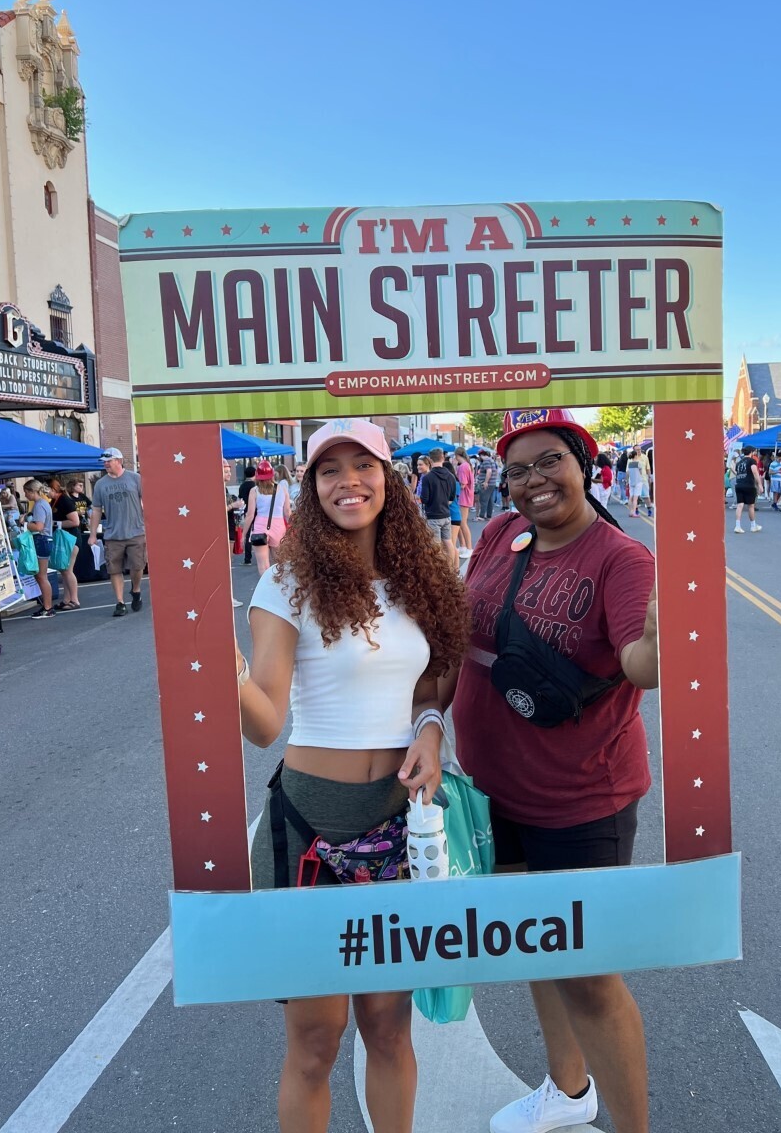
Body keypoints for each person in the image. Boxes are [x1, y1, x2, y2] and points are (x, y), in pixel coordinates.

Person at [238, 417, 469, 1133]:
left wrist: (430, 728)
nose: (348, 481)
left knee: (389, 1030)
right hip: (307, 831)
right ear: (310, 488)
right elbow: (266, 722)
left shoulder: (423, 576)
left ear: (388, 477)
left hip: (399, 825)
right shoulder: (288, 585)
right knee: (314, 1044)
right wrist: (224, 671)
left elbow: (434, 681)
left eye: (362, 465)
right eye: (328, 470)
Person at [442, 408, 657, 1133]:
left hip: (581, 800)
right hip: (491, 792)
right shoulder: (503, 535)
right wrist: (426, 721)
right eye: (517, 469)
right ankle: (569, 1092)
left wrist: (665, 633)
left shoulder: (622, 560)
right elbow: (461, 634)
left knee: (590, 978)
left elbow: (640, 665)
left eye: (549, 462)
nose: (533, 481)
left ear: (584, 466)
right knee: (537, 942)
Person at [88, 447, 146, 617]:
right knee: (114, 569)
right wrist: (92, 535)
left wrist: (148, 527)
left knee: (138, 566)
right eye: (104, 462)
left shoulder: (135, 479)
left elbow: (147, 503)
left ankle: (135, 590)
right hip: (113, 534)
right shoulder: (100, 484)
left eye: (109, 461)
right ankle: (120, 602)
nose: (105, 464)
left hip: (136, 531)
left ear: (119, 461)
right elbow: (97, 510)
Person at [241, 459, 290, 577]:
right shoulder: (282, 489)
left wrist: (244, 534)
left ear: (257, 476)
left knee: (263, 566)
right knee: (280, 564)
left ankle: (265, 591)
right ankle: (279, 591)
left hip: (259, 527)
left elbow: (250, 514)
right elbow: (287, 512)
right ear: (272, 474)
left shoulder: (254, 491)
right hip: (279, 527)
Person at [48, 475, 82, 610]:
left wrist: (55, 523)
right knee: (64, 570)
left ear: (52, 489)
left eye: (46, 490)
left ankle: (75, 599)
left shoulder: (65, 501)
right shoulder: (54, 501)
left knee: (68, 569)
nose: (45, 493)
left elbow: (75, 521)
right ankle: (67, 599)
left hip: (71, 538)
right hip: (64, 538)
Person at [420, 447, 458, 567]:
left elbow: (424, 499)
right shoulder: (451, 476)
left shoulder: (428, 478)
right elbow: (452, 498)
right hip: (446, 514)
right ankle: (450, 568)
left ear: (430, 460)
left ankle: (441, 570)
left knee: (436, 545)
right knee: (448, 542)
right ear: (443, 458)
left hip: (433, 515)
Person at [22, 480, 55, 618]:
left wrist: (25, 523)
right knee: (42, 576)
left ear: (32, 491)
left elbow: (39, 527)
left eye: (26, 492)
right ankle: (47, 606)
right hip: (45, 540)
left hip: (41, 540)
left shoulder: (39, 505)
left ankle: (48, 607)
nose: (25, 495)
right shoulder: (43, 503)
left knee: (41, 577)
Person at [732, 445, 764, 533]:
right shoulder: (752, 461)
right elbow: (754, 471)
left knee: (740, 505)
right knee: (751, 505)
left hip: (739, 484)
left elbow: (736, 472)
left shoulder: (739, 462)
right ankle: (753, 525)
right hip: (749, 484)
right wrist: (759, 484)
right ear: (751, 452)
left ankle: (737, 525)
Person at [454, 446, 475, 557]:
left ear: (457, 455)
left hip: (463, 497)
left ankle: (469, 548)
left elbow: (463, 484)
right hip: (467, 496)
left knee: (462, 523)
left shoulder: (462, 466)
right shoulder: (468, 465)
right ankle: (464, 546)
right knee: (461, 522)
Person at [237, 466, 258, 563]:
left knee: (248, 533)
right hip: (258, 512)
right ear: (255, 473)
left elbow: (240, 498)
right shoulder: (255, 486)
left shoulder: (242, 486)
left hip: (247, 512)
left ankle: (247, 558)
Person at [626, 448, 652, 518]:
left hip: (632, 481)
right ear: (635, 455)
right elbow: (640, 472)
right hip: (638, 481)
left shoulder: (630, 463)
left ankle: (631, 511)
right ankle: (634, 512)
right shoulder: (638, 463)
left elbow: (628, 472)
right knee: (635, 498)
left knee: (631, 497)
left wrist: (627, 481)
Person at [476, 448, 499, 519]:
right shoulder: (491, 460)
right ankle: (489, 515)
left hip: (486, 484)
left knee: (483, 500)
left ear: (480, 455)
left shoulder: (486, 461)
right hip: (492, 483)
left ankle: (481, 516)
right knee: (490, 500)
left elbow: (489, 471)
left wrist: (485, 482)